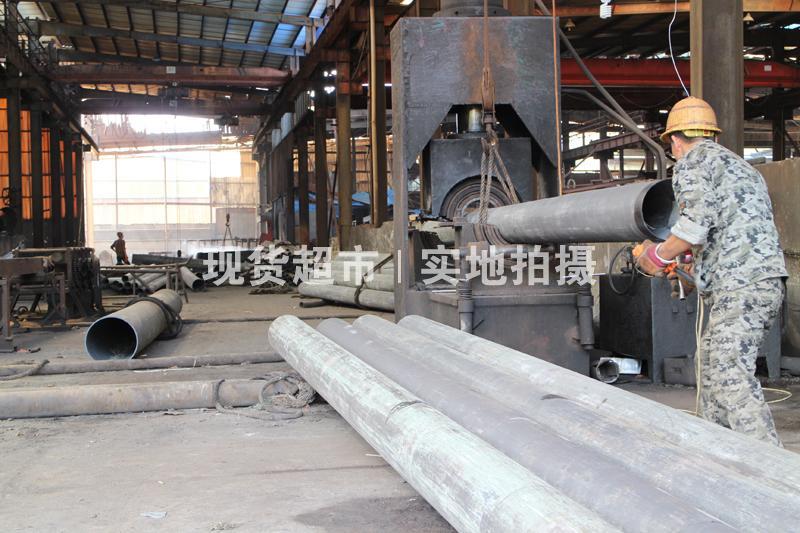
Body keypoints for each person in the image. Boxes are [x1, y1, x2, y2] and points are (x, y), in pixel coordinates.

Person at [636, 96, 787, 447]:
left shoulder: (692, 163)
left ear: (675, 141)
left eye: (672, 145)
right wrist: (689, 265)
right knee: (709, 365)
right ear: (712, 135)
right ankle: (714, 452)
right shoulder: (742, 168)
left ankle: (771, 463)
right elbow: (726, 227)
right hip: (760, 281)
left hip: (741, 285)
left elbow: (694, 225)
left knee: (728, 371)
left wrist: (656, 255)